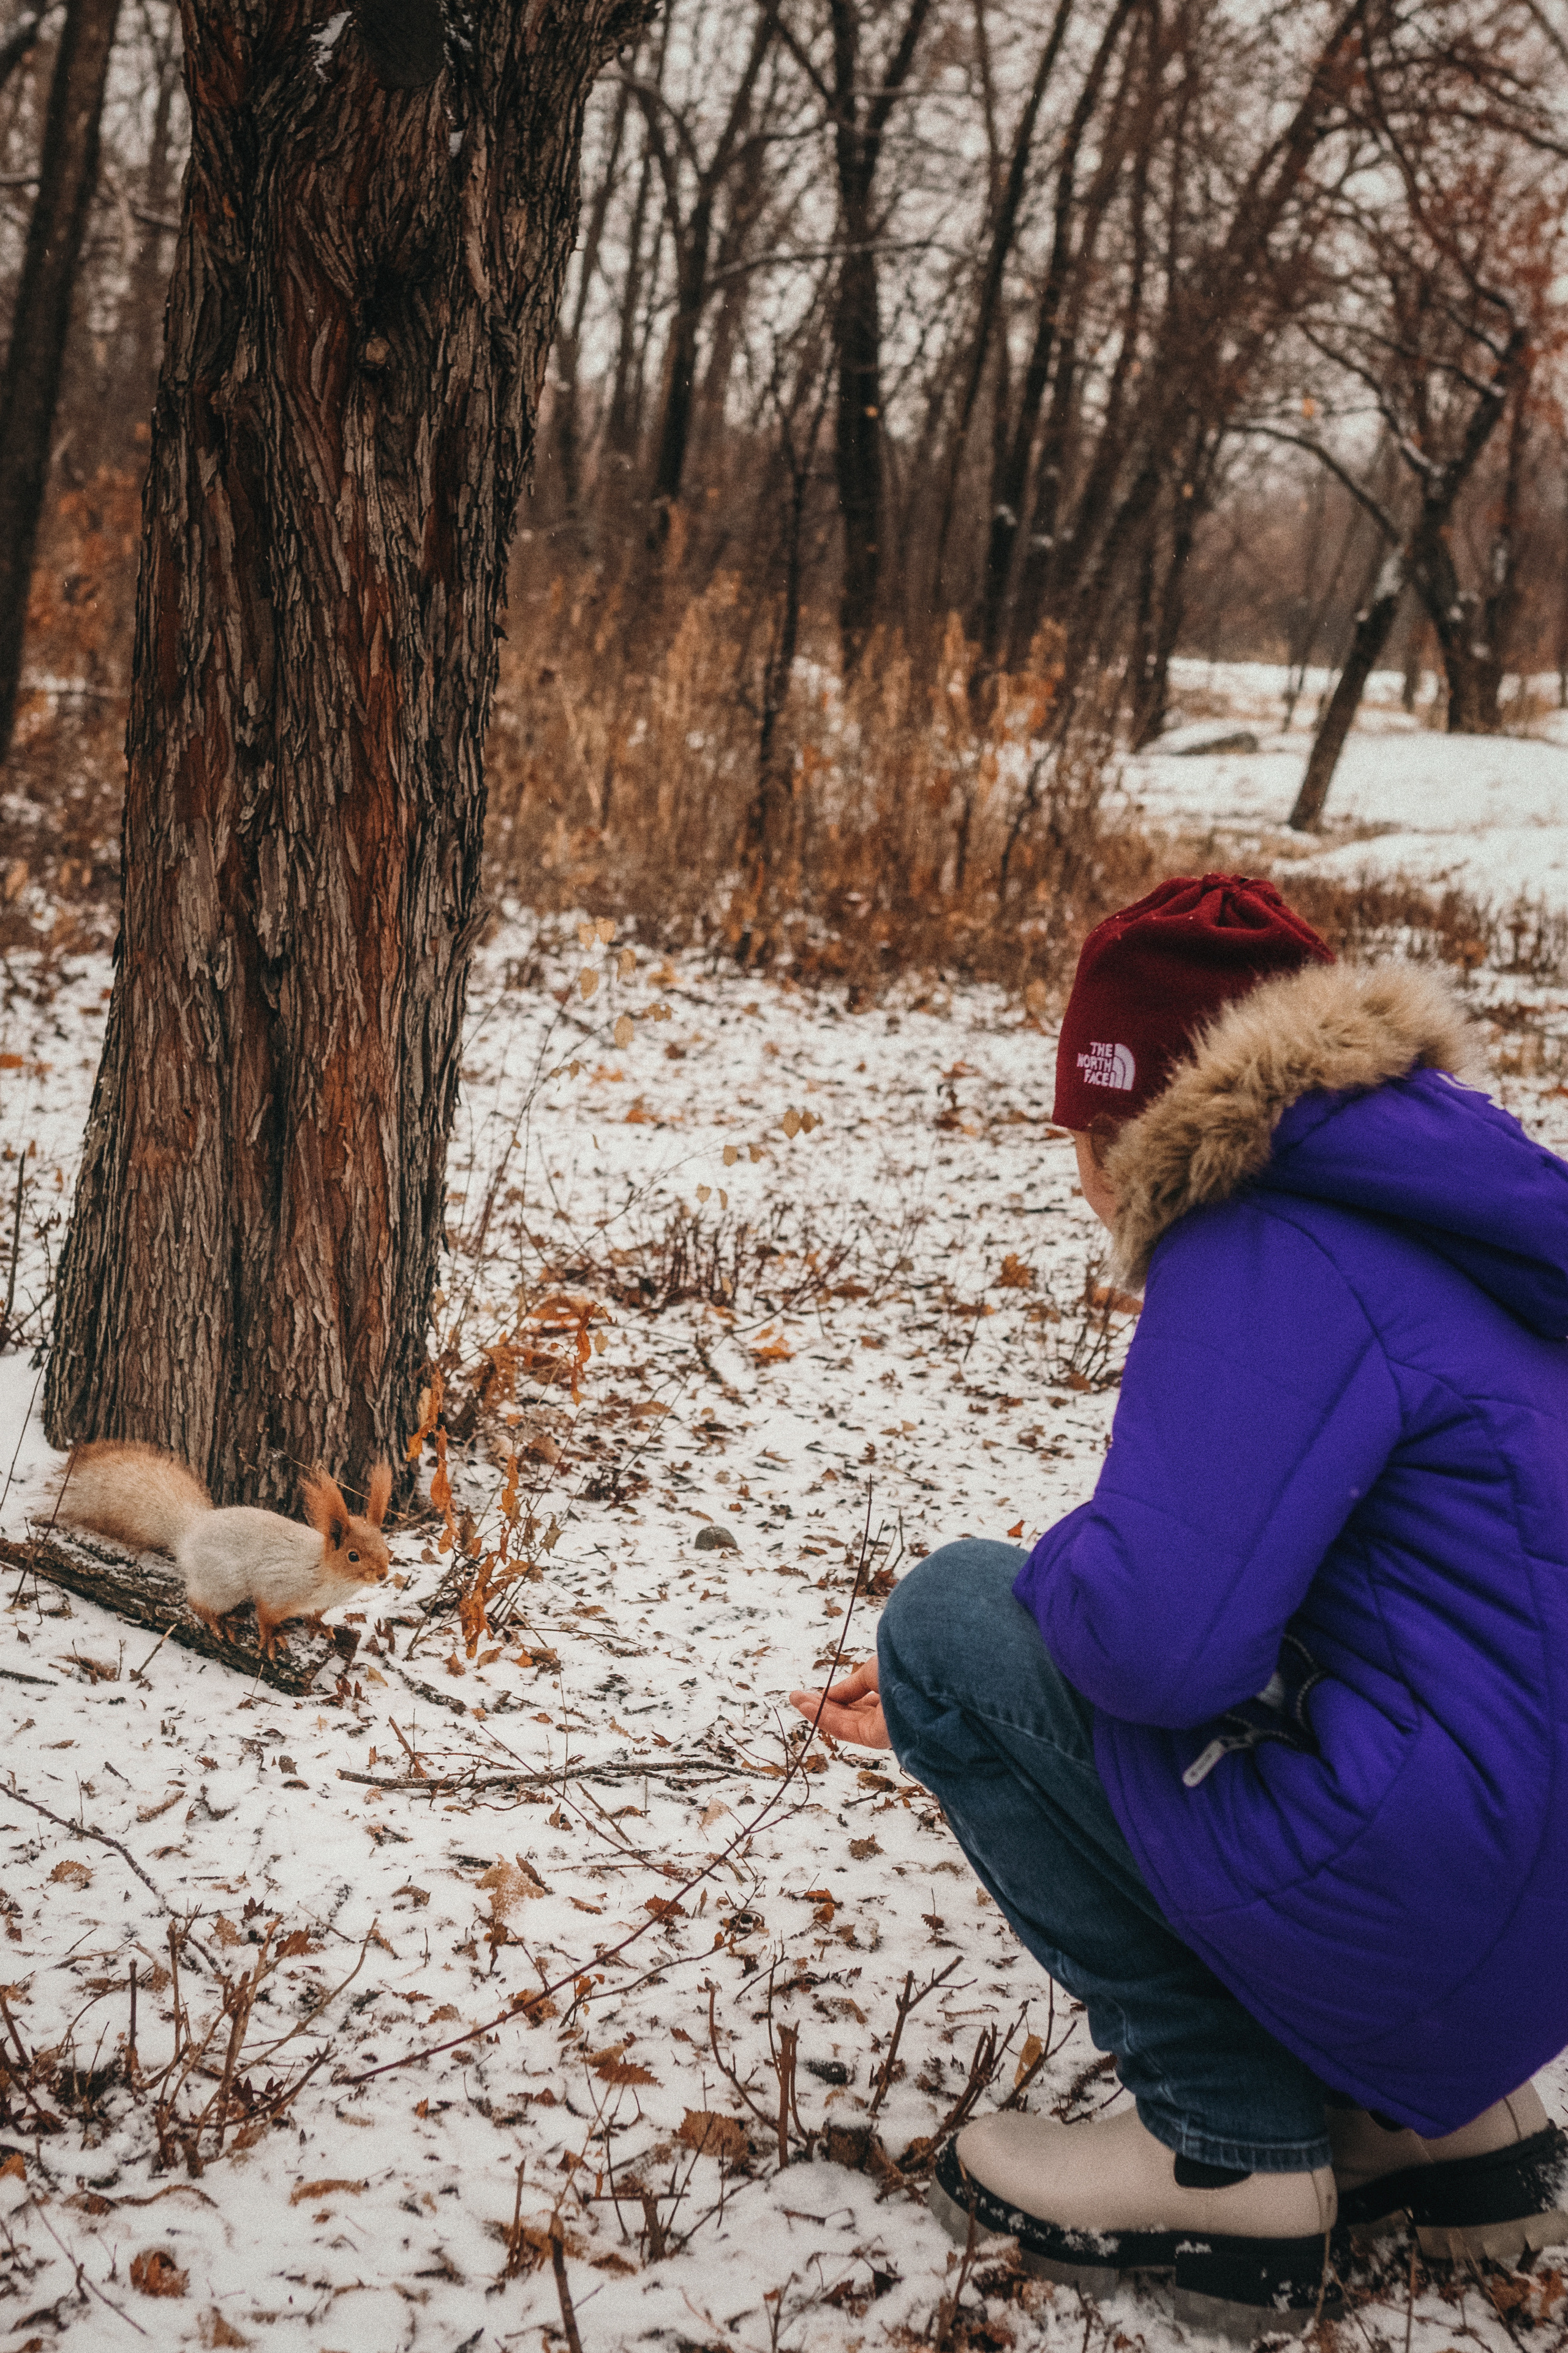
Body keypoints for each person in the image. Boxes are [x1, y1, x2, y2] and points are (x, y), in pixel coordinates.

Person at [791, 874, 1568, 2338]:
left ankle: (1225, 2142)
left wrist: (1026, 1616)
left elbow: (1155, 1647)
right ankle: (1441, 2130)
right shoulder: (1449, 1221)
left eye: (1078, 1141)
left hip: (1427, 1884)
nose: (1077, 1183)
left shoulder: (1257, 1242)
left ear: (1130, 1125)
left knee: (946, 1622)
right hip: (1527, 1929)